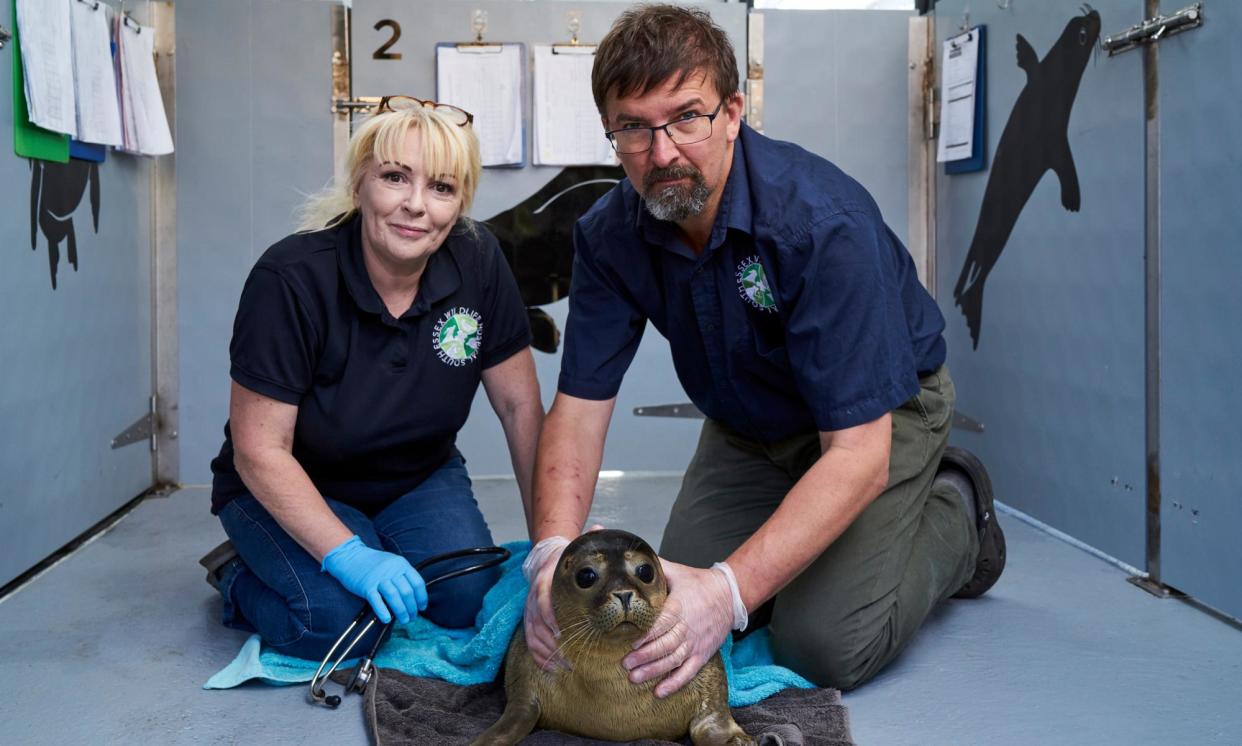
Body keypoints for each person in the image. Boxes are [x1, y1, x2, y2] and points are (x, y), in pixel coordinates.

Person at [520, 5, 1005, 694]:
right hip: (749, 430)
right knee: (662, 617)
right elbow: (577, 410)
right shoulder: (607, 235)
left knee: (822, 644)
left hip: (878, 420)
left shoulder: (819, 222)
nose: (662, 154)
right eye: (633, 127)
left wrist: (727, 592)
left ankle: (955, 512)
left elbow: (859, 456)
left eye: (687, 116)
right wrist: (549, 559)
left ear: (733, 111)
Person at [202, 97, 543, 660]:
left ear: (460, 203)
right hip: (291, 483)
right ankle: (237, 573)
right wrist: (352, 556)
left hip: (416, 476)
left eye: (441, 188)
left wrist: (551, 544)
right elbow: (259, 449)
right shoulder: (289, 278)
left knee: (466, 600)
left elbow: (520, 411)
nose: (415, 206)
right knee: (342, 624)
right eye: (394, 177)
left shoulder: (479, 261)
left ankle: (370, 540)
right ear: (360, 182)